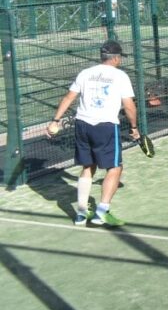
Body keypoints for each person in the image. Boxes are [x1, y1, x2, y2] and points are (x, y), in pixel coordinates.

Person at [47, 40, 140, 226]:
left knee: (88, 167)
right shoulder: (120, 76)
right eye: (120, 57)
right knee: (115, 168)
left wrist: (55, 121)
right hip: (105, 127)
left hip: (82, 125)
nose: (120, 60)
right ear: (115, 58)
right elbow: (129, 106)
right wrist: (134, 128)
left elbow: (69, 98)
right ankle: (102, 212)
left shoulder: (85, 73)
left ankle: (81, 214)